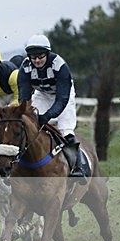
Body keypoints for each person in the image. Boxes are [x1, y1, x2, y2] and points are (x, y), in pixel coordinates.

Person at [17, 34, 86, 183]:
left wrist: (47, 116)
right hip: (42, 94)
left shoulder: (60, 66)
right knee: (31, 126)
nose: (37, 60)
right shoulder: (25, 68)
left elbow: (61, 100)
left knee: (65, 129)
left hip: (63, 94)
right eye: (33, 57)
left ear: (47, 53)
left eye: (40, 57)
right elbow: (24, 97)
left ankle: (79, 167)